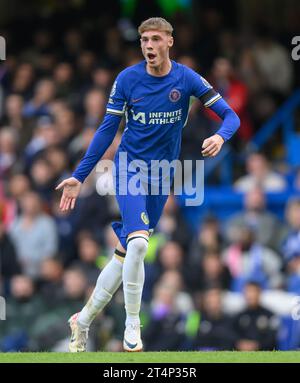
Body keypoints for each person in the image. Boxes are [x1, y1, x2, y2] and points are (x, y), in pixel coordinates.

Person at [56, 17, 240, 353]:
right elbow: (106, 131)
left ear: (170, 41)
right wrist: (79, 177)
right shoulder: (127, 80)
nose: (149, 46)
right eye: (143, 40)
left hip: (162, 174)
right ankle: (132, 322)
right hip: (129, 169)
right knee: (140, 246)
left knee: (127, 251)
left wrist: (220, 136)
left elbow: (232, 117)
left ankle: (81, 320)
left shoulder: (186, 79)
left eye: (155, 39)